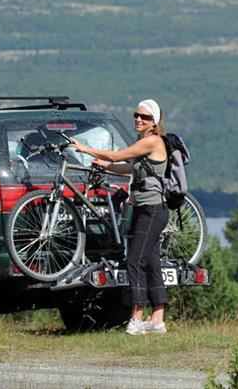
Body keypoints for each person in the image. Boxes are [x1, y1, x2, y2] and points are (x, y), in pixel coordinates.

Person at [69, 99, 170, 336]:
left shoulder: (153, 141)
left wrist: (86, 149)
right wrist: (104, 165)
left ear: (154, 121)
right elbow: (127, 168)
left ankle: (136, 319)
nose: (138, 119)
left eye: (144, 117)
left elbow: (118, 156)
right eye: (136, 115)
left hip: (154, 210)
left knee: (134, 260)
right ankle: (158, 320)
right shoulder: (142, 143)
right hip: (145, 210)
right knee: (152, 261)